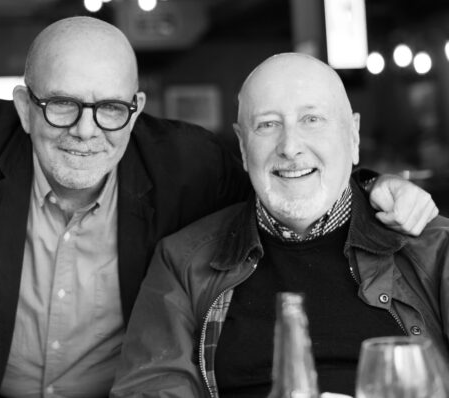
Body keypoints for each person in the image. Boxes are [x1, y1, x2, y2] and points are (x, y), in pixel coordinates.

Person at [0, 17, 437, 397]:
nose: (86, 131)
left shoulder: (187, 166)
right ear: (25, 107)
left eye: (110, 108)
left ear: (137, 109)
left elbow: (291, 183)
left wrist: (372, 188)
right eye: (62, 105)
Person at [110, 53, 449, 398]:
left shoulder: (435, 248)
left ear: (353, 135)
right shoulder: (182, 262)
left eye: (312, 119)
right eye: (268, 125)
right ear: (243, 147)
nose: (290, 147)